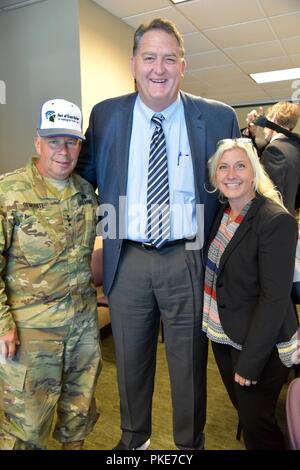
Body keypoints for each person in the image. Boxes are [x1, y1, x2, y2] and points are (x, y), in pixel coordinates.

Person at [76, 18, 240, 450]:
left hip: (188, 258)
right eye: (149, 57)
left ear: (182, 65)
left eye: (169, 58)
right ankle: (135, 443)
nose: (159, 68)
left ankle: (190, 445)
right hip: (127, 259)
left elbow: (237, 192)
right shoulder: (107, 114)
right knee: (130, 363)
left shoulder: (218, 118)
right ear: (133, 63)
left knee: (188, 365)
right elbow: (83, 178)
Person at [0, 98, 102, 450]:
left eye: (72, 141)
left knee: (78, 419)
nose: (63, 150)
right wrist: (3, 325)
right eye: (54, 140)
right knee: (26, 431)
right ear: (37, 142)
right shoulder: (9, 192)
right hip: (31, 336)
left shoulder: (86, 193)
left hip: (83, 332)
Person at [203, 137, 298, 449]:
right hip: (224, 332)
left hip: (260, 345)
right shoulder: (223, 212)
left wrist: (251, 362)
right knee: (246, 413)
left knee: (259, 428)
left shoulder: (275, 220)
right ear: (215, 176)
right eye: (224, 167)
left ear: (254, 172)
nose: (232, 174)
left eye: (240, 166)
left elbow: (274, 300)